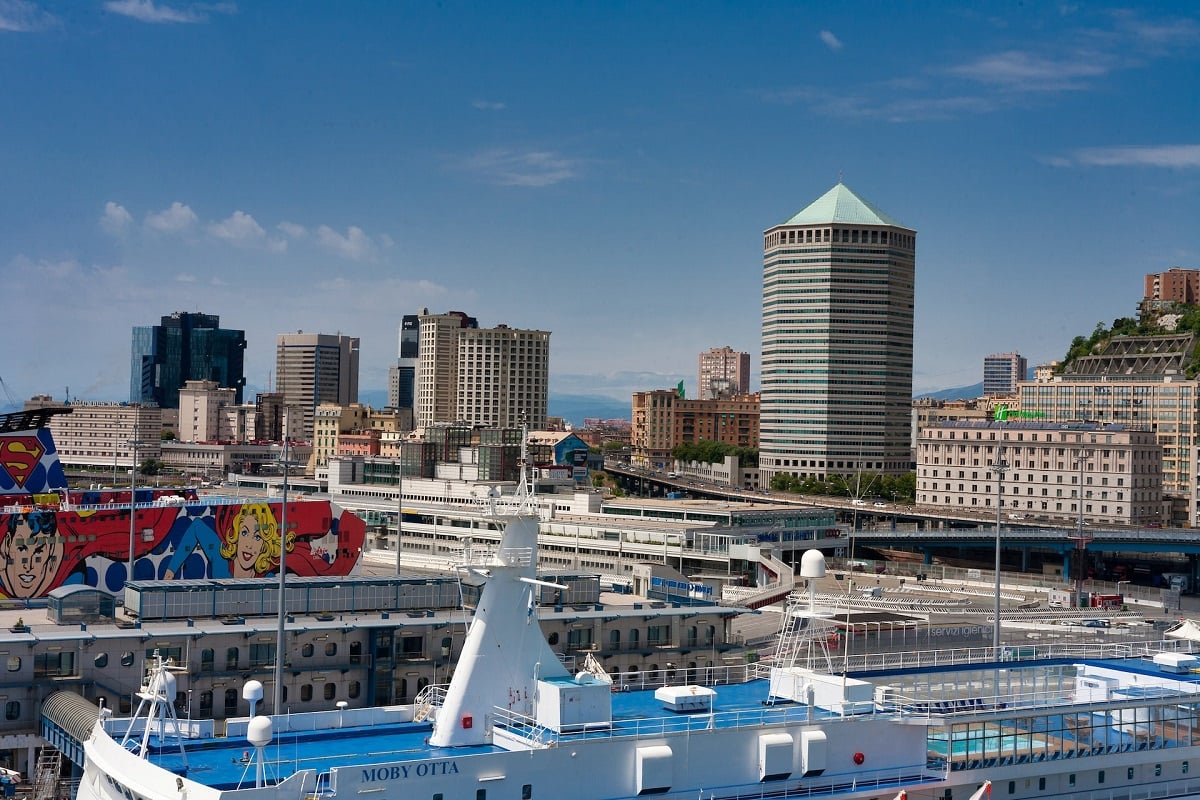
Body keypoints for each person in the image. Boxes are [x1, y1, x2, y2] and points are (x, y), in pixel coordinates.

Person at [0, 510, 63, 599]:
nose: (28, 566)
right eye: (21, 549)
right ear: (7, 543)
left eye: (38, 551)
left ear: (51, 550)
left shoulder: (75, 576)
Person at [219, 503, 294, 578]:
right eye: (244, 533)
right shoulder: (220, 561)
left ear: (264, 545)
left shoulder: (268, 580)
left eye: (257, 537)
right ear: (237, 535)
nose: (249, 545)